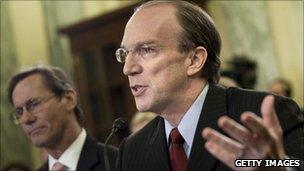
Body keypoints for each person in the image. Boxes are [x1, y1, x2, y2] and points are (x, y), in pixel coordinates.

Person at [114, 1, 304, 171]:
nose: (128, 68)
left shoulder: (264, 115)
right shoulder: (131, 151)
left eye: (147, 50)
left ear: (194, 60)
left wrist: (276, 167)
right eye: (124, 54)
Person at [7, 65, 117, 171]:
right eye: (19, 112)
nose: (26, 119)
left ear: (69, 100)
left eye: (34, 104)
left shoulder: (117, 163)